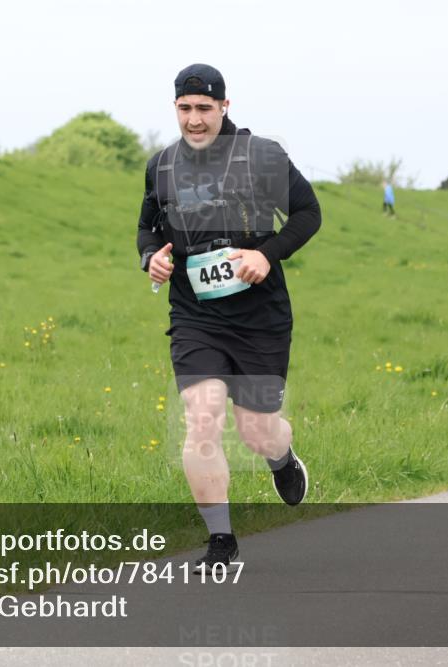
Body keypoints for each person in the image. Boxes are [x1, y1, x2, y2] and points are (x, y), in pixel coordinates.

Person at [136, 64, 321, 570]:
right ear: (175, 108)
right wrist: (149, 256)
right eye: (184, 109)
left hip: (259, 315)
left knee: (258, 431)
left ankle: (281, 458)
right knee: (202, 418)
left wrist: (268, 254)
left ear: (224, 107)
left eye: (204, 108)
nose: (194, 120)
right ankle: (221, 542)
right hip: (195, 314)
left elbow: (308, 213)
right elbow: (147, 229)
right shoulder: (162, 166)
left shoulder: (260, 157)